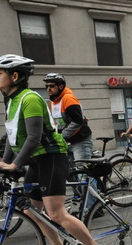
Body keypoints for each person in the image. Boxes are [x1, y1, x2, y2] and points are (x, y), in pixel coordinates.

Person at [0, 54, 109, 245]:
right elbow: (13, 136)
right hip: (37, 159)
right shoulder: (11, 100)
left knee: (56, 212)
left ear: (14, 76)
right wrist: (1, 161)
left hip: (52, 156)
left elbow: (34, 137)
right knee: (31, 211)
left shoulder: (29, 98)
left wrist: (15, 165)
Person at [43, 73, 97, 209]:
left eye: (52, 86)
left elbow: (77, 120)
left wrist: (62, 136)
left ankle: (95, 207)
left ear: (61, 86)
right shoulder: (53, 102)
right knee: (68, 173)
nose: (48, 88)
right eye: (46, 86)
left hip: (80, 141)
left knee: (83, 174)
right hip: (66, 143)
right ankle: (83, 199)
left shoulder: (68, 98)